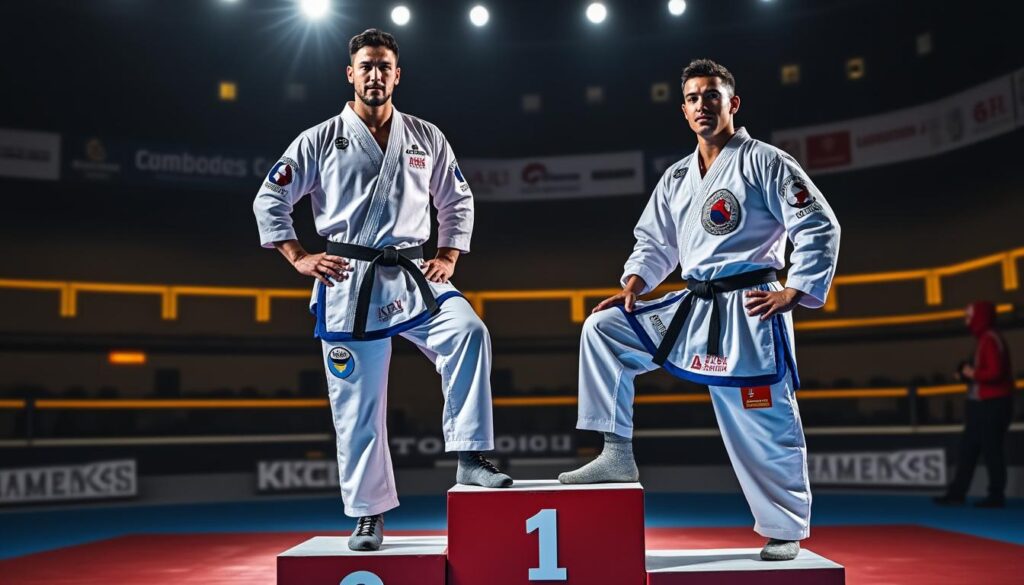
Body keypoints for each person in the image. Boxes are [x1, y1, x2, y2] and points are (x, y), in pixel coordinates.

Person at [558, 59, 841, 561]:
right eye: (692, 98)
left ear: (732, 104)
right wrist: (634, 283)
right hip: (694, 303)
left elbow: (818, 225)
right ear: (684, 111)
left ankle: (784, 528)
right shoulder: (676, 176)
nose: (701, 105)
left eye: (711, 95)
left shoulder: (766, 161)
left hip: (751, 308)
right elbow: (653, 240)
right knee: (605, 329)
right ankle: (616, 453)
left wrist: (796, 289)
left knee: (763, 420)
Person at [253, 29, 511, 552]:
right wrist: (298, 256)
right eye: (366, 65)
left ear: (398, 74)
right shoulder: (319, 139)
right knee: (357, 406)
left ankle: (470, 455)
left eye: (384, 66)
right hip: (348, 280)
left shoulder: (425, 136)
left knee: (468, 332)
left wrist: (449, 254)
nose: (375, 74)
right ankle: (368, 514)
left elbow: (457, 200)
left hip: (415, 273)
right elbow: (269, 200)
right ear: (351, 74)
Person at [934, 301, 1014, 508]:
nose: (966, 321)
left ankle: (995, 495)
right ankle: (957, 493)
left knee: (991, 450)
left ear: (980, 317)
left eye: (970, 316)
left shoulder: (990, 339)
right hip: (982, 404)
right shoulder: (984, 340)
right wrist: (966, 375)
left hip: (993, 404)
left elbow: (995, 373)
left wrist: (972, 373)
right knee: (968, 449)